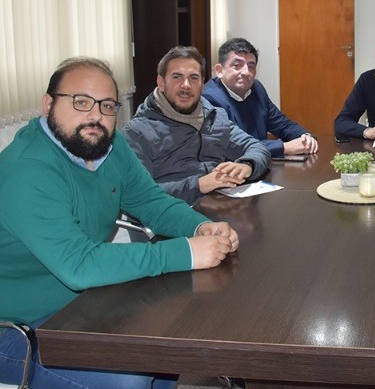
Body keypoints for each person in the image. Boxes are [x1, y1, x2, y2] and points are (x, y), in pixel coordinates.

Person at [0, 57, 239, 389]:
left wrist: (200, 227)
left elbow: (151, 202)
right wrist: (185, 252)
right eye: (81, 102)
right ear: (48, 104)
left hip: (83, 305)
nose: (96, 115)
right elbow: (79, 265)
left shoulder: (110, 147)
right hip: (17, 329)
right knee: (131, 377)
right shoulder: (27, 171)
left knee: (163, 347)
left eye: (108, 106)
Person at [124, 46, 271, 206]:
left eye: (194, 78)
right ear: (161, 82)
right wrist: (199, 185)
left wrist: (248, 164)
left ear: (202, 84)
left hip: (218, 206)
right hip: (169, 218)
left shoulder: (215, 117)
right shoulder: (137, 132)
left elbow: (256, 147)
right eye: (177, 77)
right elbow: (137, 194)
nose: (186, 85)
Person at [203, 37, 318, 157]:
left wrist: (305, 137)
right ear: (219, 70)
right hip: (230, 170)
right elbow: (233, 145)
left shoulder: (256, 89)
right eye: (237, 65)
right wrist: (284, 147)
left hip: (260, 165)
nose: (246, 72)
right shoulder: (209, 99)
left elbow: (282, 124)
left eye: (251, 66)